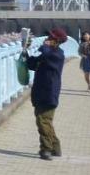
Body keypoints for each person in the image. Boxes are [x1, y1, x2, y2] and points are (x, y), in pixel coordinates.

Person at [26, 28, 67, 160]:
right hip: (40, 92)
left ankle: (46, 149)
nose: (46, 39)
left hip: (49, 93)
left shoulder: (58, 55)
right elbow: (32, 64)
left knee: (43, 121)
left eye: (50, 37)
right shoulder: (47, 54)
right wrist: (25, 51)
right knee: (45, 121)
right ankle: (55, 147)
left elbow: (46, 52)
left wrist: (44, 46)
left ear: (57, 41)